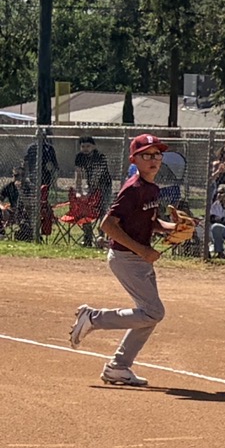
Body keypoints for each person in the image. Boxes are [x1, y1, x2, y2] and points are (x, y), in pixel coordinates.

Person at [68, 134, 190, 387]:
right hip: (127, 258)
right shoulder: (133, 190)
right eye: (146, 155)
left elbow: (149, 222)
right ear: (134, 159)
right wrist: (142, 251)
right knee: (153, 312)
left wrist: (172, 227)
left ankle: (118, 367)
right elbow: (108, 225)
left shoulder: (152, 189)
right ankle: (93, 318)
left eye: (157, 154)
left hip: (138, 258)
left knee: (148, 315)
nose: (154, 159)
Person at [71, 136, 110, 248]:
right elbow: (78, 174)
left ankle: (101, 238)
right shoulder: (79, 157)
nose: (85, 149)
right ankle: (87, 237)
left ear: (93, 146)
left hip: (104, 186)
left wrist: (89, 190)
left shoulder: (100, 157)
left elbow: (97, 175)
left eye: (88, 146)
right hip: (90, 185)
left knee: (103, 210)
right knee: (85, 209)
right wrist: (79, 190)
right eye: (83, 146)